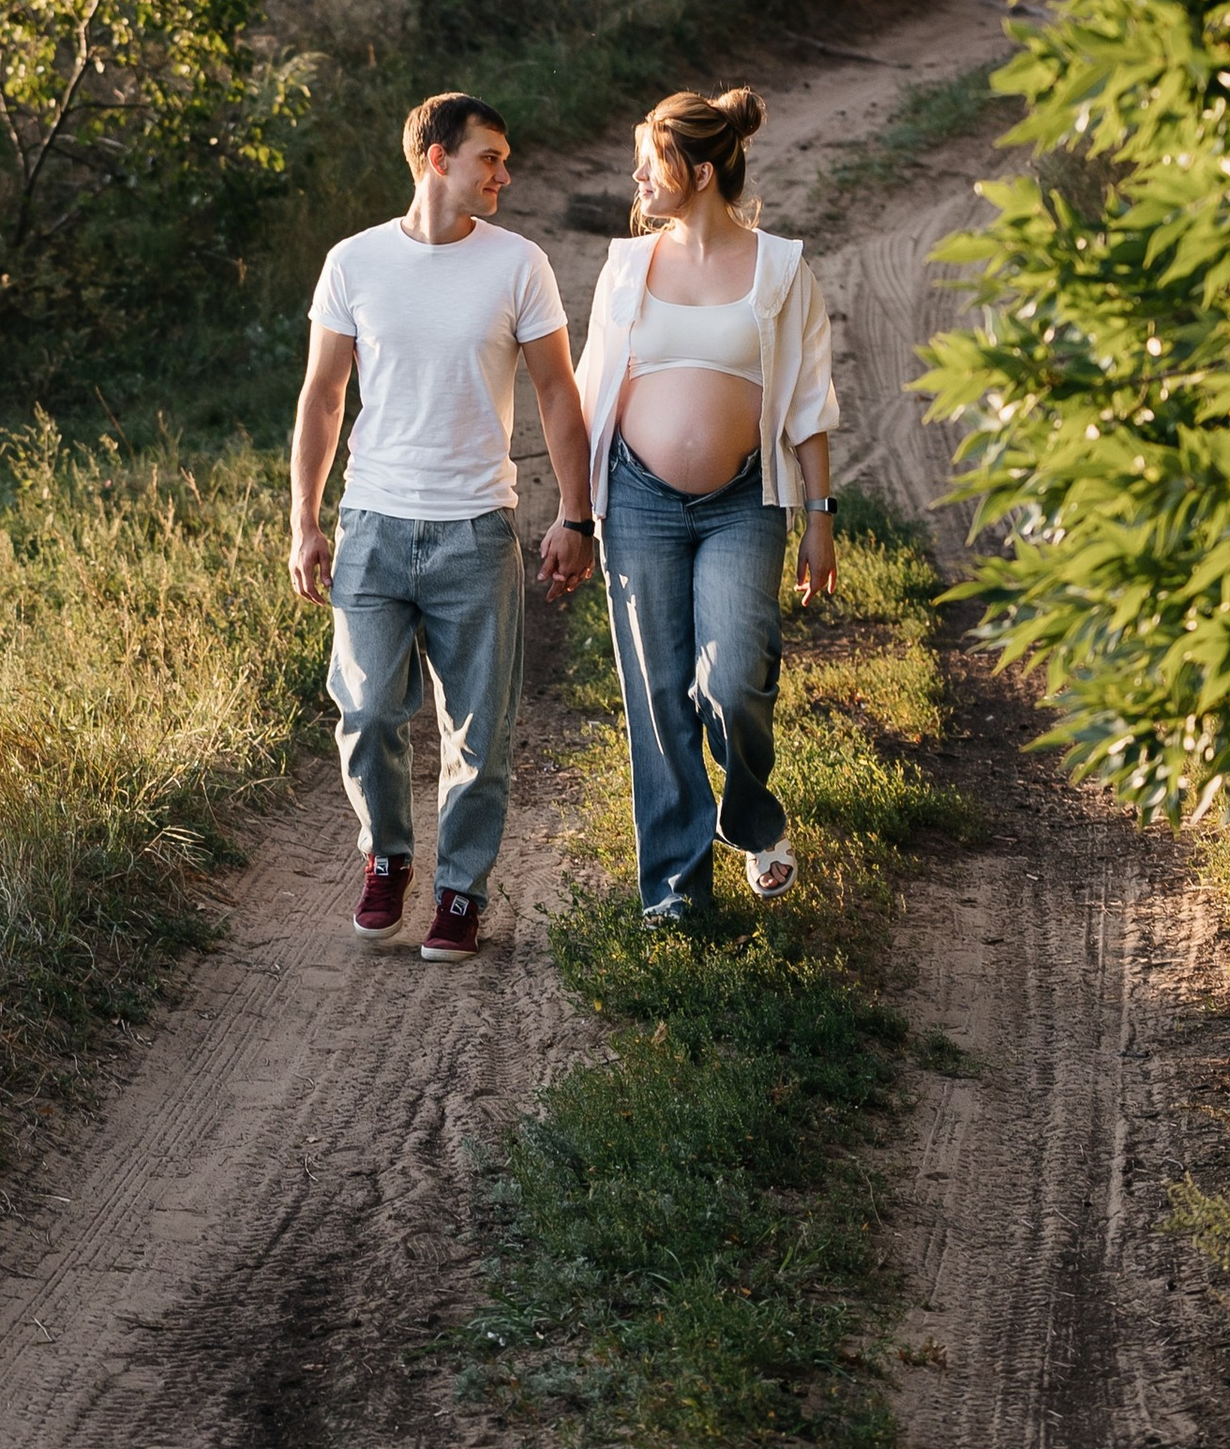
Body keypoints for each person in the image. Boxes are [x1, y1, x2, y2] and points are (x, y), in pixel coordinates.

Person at [290, 91, 597, 961]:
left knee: (478, 731)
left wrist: (576, 514)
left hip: (475, 530)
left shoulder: (520, 264)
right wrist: (304, 520)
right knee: (365, 712)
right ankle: (386, 857)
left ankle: (461, 890)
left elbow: (557, 395)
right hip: (372, 526)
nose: (505, 174)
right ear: (437, 158)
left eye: (505, 160)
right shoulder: (354, 262)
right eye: (489, 158)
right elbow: (323, 397)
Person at [575, 86, 841, 927]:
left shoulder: (781, 269)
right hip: (638, 502)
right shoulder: (627, 268)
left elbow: (809, 401)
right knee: (658, 697)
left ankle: (752, 817)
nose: (635, 181)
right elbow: (590, 391)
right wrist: (574, 513)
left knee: (732, 680)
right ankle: (675, 894)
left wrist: (820, 518)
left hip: (742, 502)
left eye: (649, 165)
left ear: (696, 173)